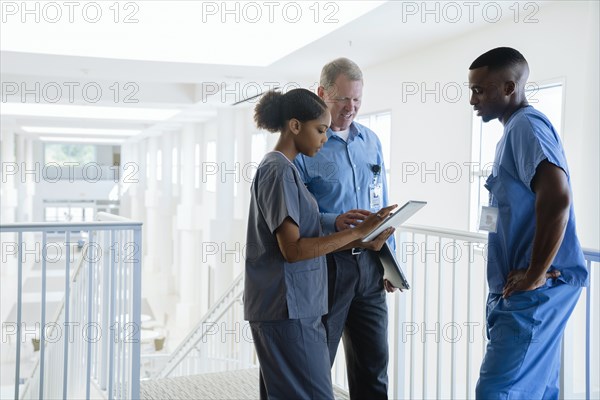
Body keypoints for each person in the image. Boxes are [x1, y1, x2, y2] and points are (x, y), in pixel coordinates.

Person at [244, 88, 396, 400]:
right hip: (286, 307)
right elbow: (294, 250)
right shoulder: (278, 171)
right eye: (321, 130)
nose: (325, 139)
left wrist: (365, 242)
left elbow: (309, 240)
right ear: (295, 126)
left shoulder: (285, 171)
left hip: (298, 305)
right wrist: (357, 232)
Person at [468, 47, 588, 399]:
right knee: (535, 390)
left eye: (479, 90)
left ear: (509, 87)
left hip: (533, 292)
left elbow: (557, 197)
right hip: (521, 292)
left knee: (495, 392)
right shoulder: (511, 131)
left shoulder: (526, 127)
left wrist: (536, 272)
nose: (473, 99)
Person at [294, 58, 396, 399]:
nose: (350, 108)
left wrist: (389, 263)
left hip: (370, 265)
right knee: (316, 366)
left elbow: (381, 197)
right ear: (322, 94)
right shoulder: (303, 147)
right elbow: (295, 212)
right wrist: (332, 221)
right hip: (328, 265)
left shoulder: (371, 141)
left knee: (374, 366)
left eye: (357, 101)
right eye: (343, 100)